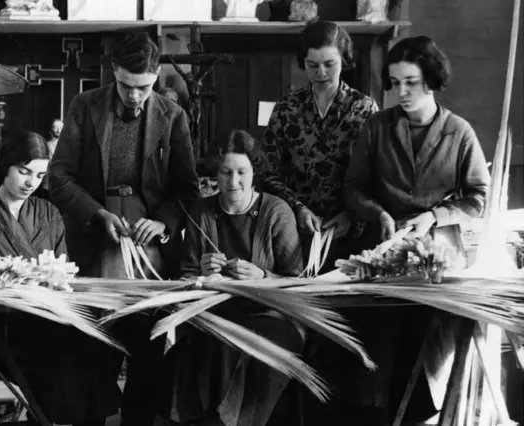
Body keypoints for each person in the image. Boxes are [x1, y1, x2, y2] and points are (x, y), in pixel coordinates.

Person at [48, 32, 199, 426]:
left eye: (145, 87)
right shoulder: (85, 106)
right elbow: (59, 177)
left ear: (155, 76)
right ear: (114, 71)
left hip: (148, 252)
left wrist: (162, 221)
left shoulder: (173, 116)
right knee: (93, 351)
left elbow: (187, 189)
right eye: (128, 86)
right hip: (95, 242)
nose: (136, 96)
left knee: (147, 354)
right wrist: (98, 214)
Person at [343, 36, 490, 423]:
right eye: (395, 82)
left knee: (423, 340)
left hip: (437, 258)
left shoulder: (459, 133)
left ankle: (418, 413)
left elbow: (478, 199)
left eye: (410, 81)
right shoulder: (376, 127)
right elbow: (353, 187)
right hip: (384, 250)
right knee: (375, 340)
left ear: (431, 80)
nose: (401, 92)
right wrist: (378, 214)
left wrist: (435, 217)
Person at [0, 131, 117, 426]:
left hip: (48, 319)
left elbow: (63, 268)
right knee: (61, 356)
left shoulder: (49, 214)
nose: (31, 182)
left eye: (39, 174)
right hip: (0, 328)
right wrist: (1, 274)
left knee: (95, 344)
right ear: (5, 167)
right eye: (23, 172)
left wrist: (50, 278)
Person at [164, 130, 304, 426]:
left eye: (242, 172)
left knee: (232, 346)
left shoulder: (277, 212)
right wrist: (201, 271)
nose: (233, 182)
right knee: (198, 342)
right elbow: (185, 276)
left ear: (255, 173)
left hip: (271, 314)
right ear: (216, 174)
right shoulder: (202, 211)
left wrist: (262, 276)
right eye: (226, 173)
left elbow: (296, 284)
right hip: (216, 311)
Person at [262, 20, 378, 274]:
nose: (321, 72)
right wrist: (297, 208)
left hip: (350, 231)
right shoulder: (286, 109)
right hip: (295, 229)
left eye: (329, 64)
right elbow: (268, 172)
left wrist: (352, 215)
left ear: (344, 60)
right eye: (312, 65)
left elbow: (377, 175)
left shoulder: (364, 108)